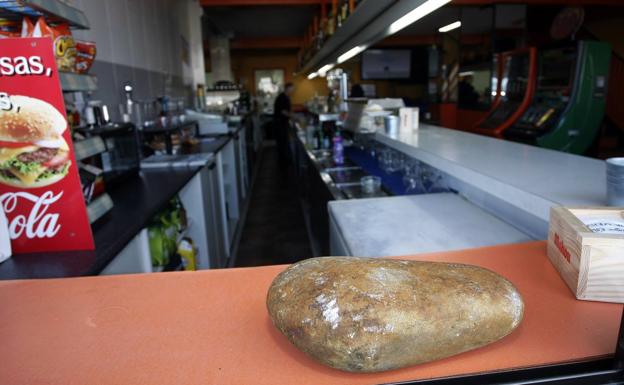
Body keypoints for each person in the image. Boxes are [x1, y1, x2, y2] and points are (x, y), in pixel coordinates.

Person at [273, 83, 295, 171]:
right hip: (279, 124)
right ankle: (283, 164)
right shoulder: (281, 98)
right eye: (292, 89)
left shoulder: (286, 97)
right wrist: (294, 116)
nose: (293, 91)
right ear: (287, 89)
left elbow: (288, 110)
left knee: (284, 142)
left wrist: (291, 116)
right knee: (282, 143)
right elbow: (283, 111)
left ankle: (284, 162)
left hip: (283, 123)